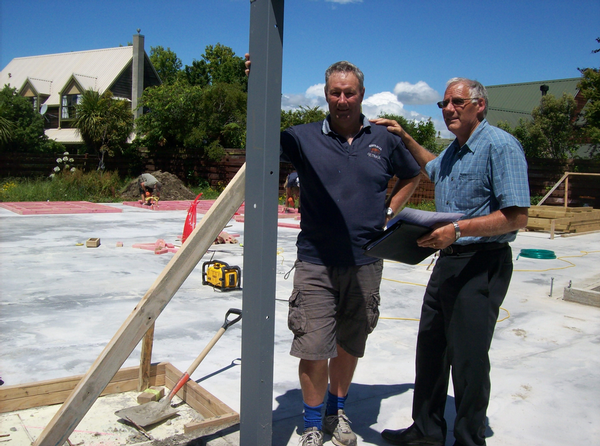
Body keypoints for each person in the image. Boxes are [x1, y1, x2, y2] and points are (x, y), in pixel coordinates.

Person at [247, 56, 421, 446]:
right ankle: (311, 424)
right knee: (313, 343)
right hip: (315, 260)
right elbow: (260, 135)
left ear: (362, 94)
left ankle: (334, 412)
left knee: (349, 342)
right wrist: (256, 82)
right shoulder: (301, 137)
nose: (342, 99)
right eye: (335, 92)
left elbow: (413, 174)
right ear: (326, 95)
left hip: (365, 260)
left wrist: (391, 211)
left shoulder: (384, 138)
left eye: (350, 92)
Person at [372, 78, 530, 446]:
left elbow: (517, 216)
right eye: (443, 103)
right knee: (431, 347)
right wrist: (405, 136)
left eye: (457, 102)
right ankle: (426, 431)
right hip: (448, 260)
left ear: (480, 105)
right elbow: (434, 168)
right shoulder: (456, 150)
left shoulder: (500, 146)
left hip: (482, 262)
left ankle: (469, 439)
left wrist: (457, 229)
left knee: (469, 357)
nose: (448, 109)